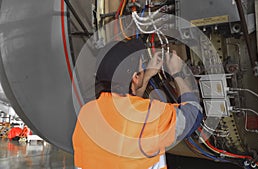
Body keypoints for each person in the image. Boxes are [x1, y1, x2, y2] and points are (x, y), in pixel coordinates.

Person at [72, 39, 202, 169]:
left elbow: (128, 113)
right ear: (135, 77)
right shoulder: (151, 116)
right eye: (142, 67)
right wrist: (176, 73)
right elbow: (193, 114)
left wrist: (146, 76)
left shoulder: (86, 114)